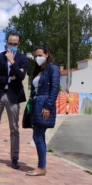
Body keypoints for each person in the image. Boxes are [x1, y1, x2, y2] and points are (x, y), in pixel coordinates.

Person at [0, 32, 28, 169]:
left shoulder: (22, 59)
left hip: (13, 96)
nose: (13, 46)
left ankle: (14, 158)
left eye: (15, 44)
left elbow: (21, 76)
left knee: (14, 129)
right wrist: (10, 79)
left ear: (18, 44)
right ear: (6, 42)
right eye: (10, 43)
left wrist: (12, 61)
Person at [27, 45, 60, 176]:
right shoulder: (39, 69)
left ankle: (41, 167)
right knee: (39, 136)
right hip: (36, 104)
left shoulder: (52, 68)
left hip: (44, 104)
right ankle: (42, 166)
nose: (37, 57)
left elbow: (55, 88)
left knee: (38, 136)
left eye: (40, 55)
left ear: (47, 54)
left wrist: (48, 106)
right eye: (35, 55)